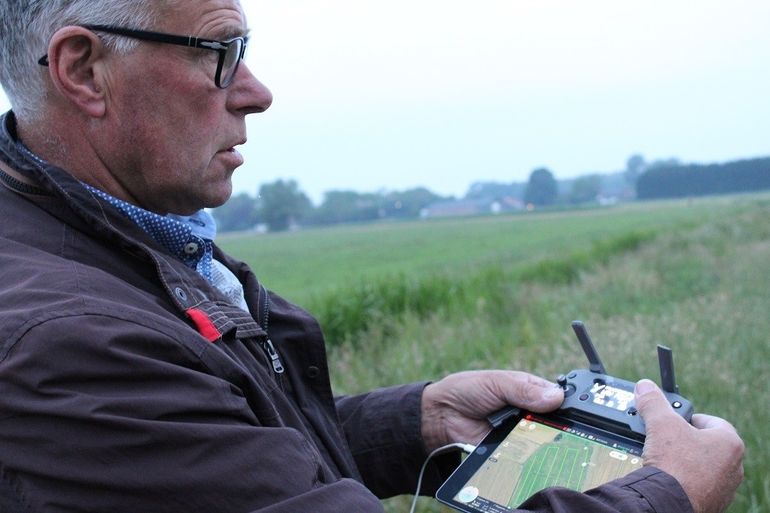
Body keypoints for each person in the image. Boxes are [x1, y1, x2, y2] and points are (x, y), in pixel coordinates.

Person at [0, 1, 743, 512]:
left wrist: (417, 422)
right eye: (221, 54)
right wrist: (666, 491)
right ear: (84, 70)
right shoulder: (65, 338)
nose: (256, 93)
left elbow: (211, 462)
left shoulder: (110, 244)